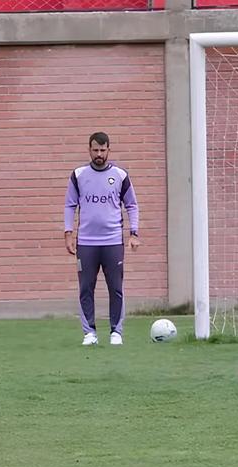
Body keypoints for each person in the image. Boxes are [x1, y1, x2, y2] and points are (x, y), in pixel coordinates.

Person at [64, 131, 140, 346]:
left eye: (102, 150)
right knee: (86, 287)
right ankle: (90, 333)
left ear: (109, 150)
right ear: (89, 150)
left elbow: (132, 205)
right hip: (86, 242)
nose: (99, 154)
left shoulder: (120, 175)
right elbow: (70, 205)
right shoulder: (78, 175)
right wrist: (68, 233)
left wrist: (134, 233)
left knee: (115, 287)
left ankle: (116, 332)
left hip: (113, 241)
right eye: (95, 150)